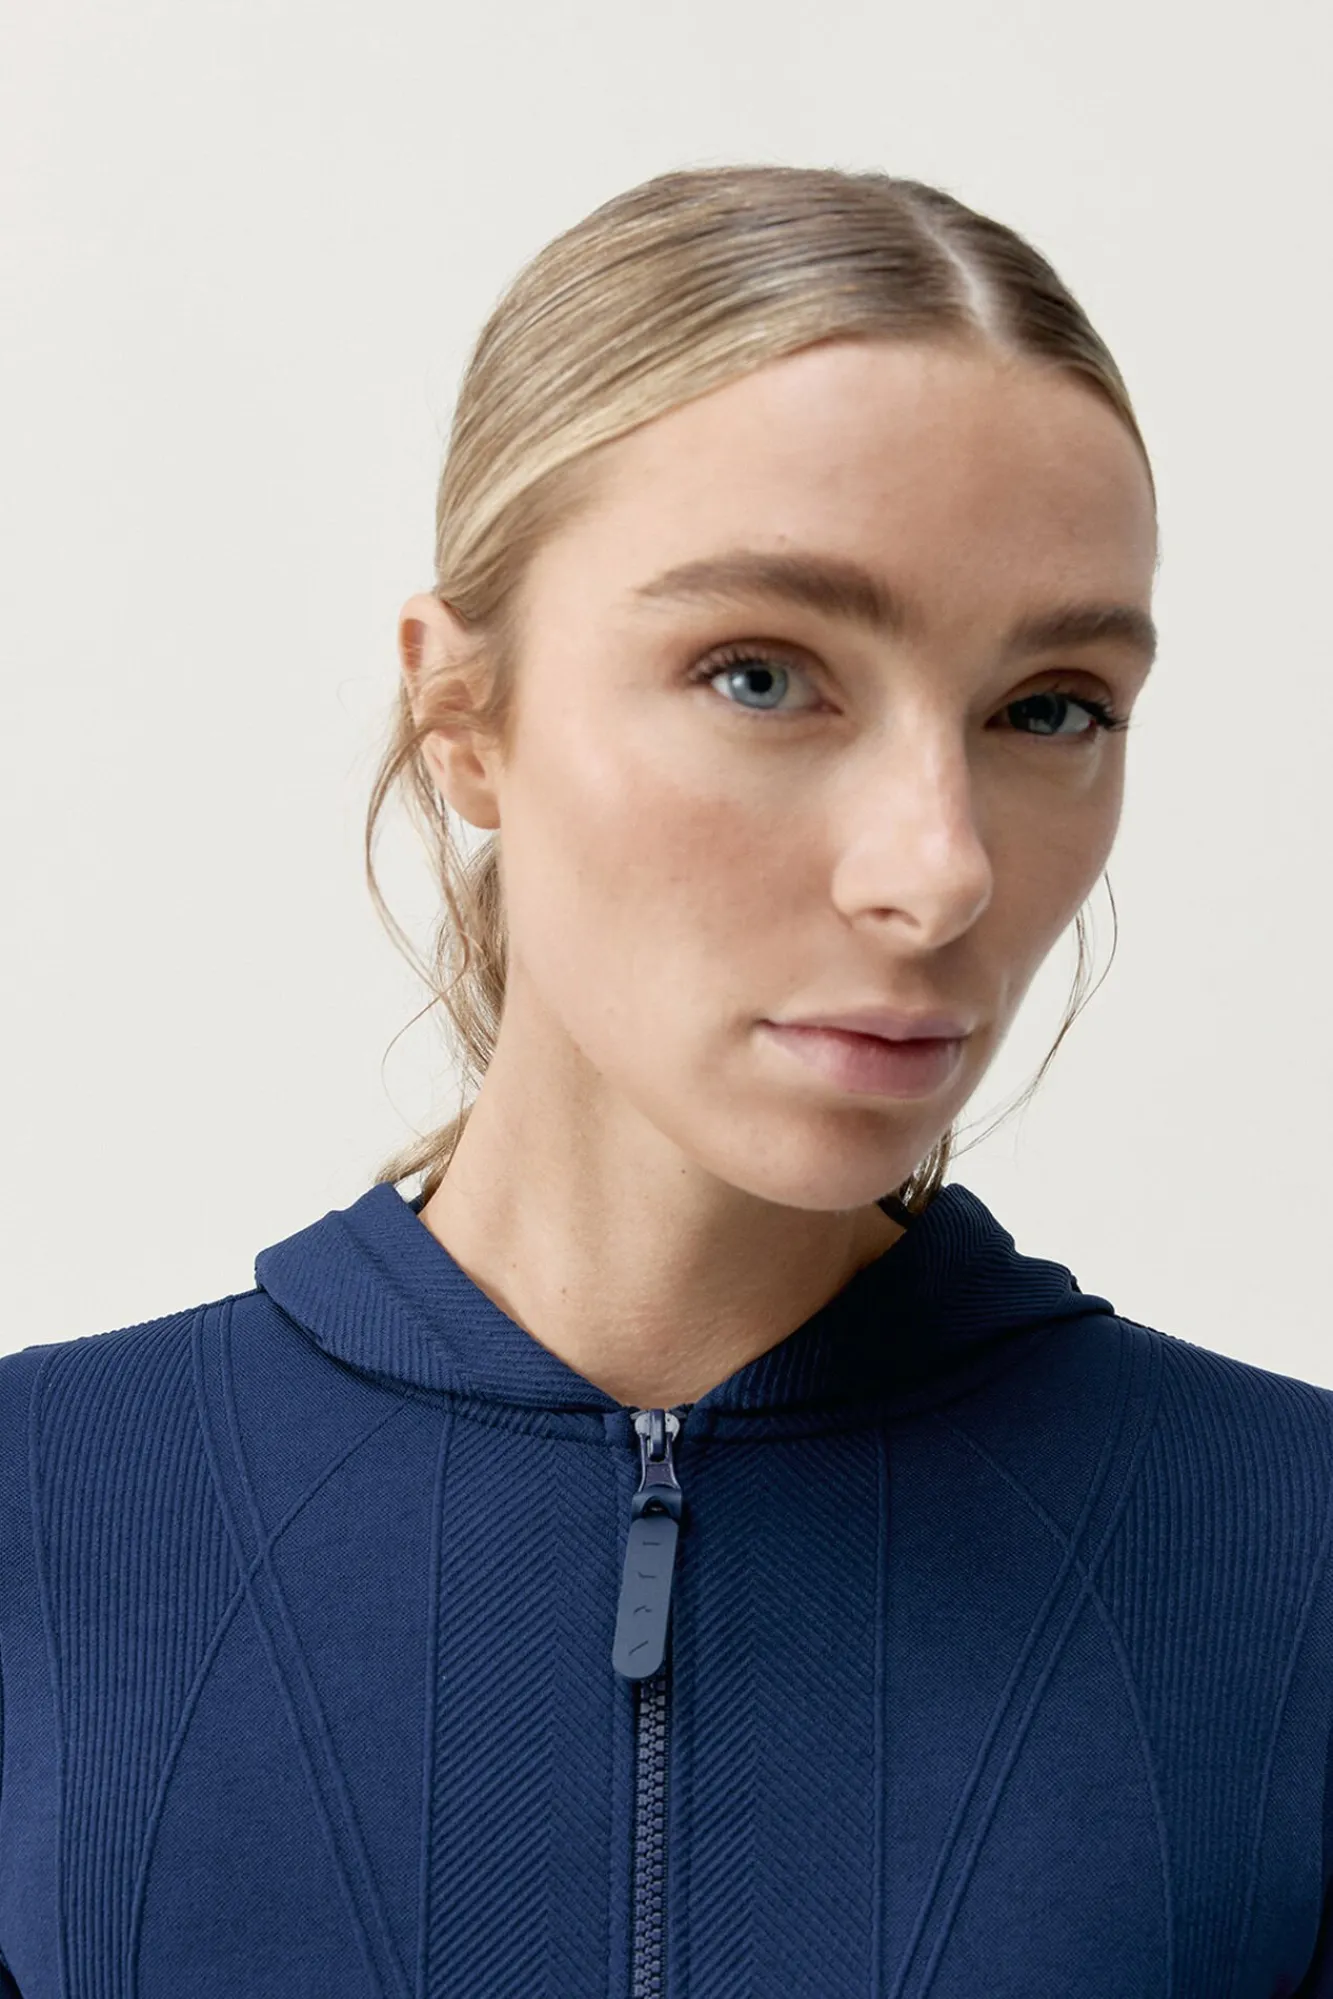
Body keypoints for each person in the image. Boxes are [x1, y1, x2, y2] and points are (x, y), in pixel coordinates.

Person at [1, 162, 1329, 1997]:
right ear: (463, 713)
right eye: (762, 675)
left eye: (1053, 706)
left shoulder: (1293, 1558)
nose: (938, 869)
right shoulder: (41, 1519)